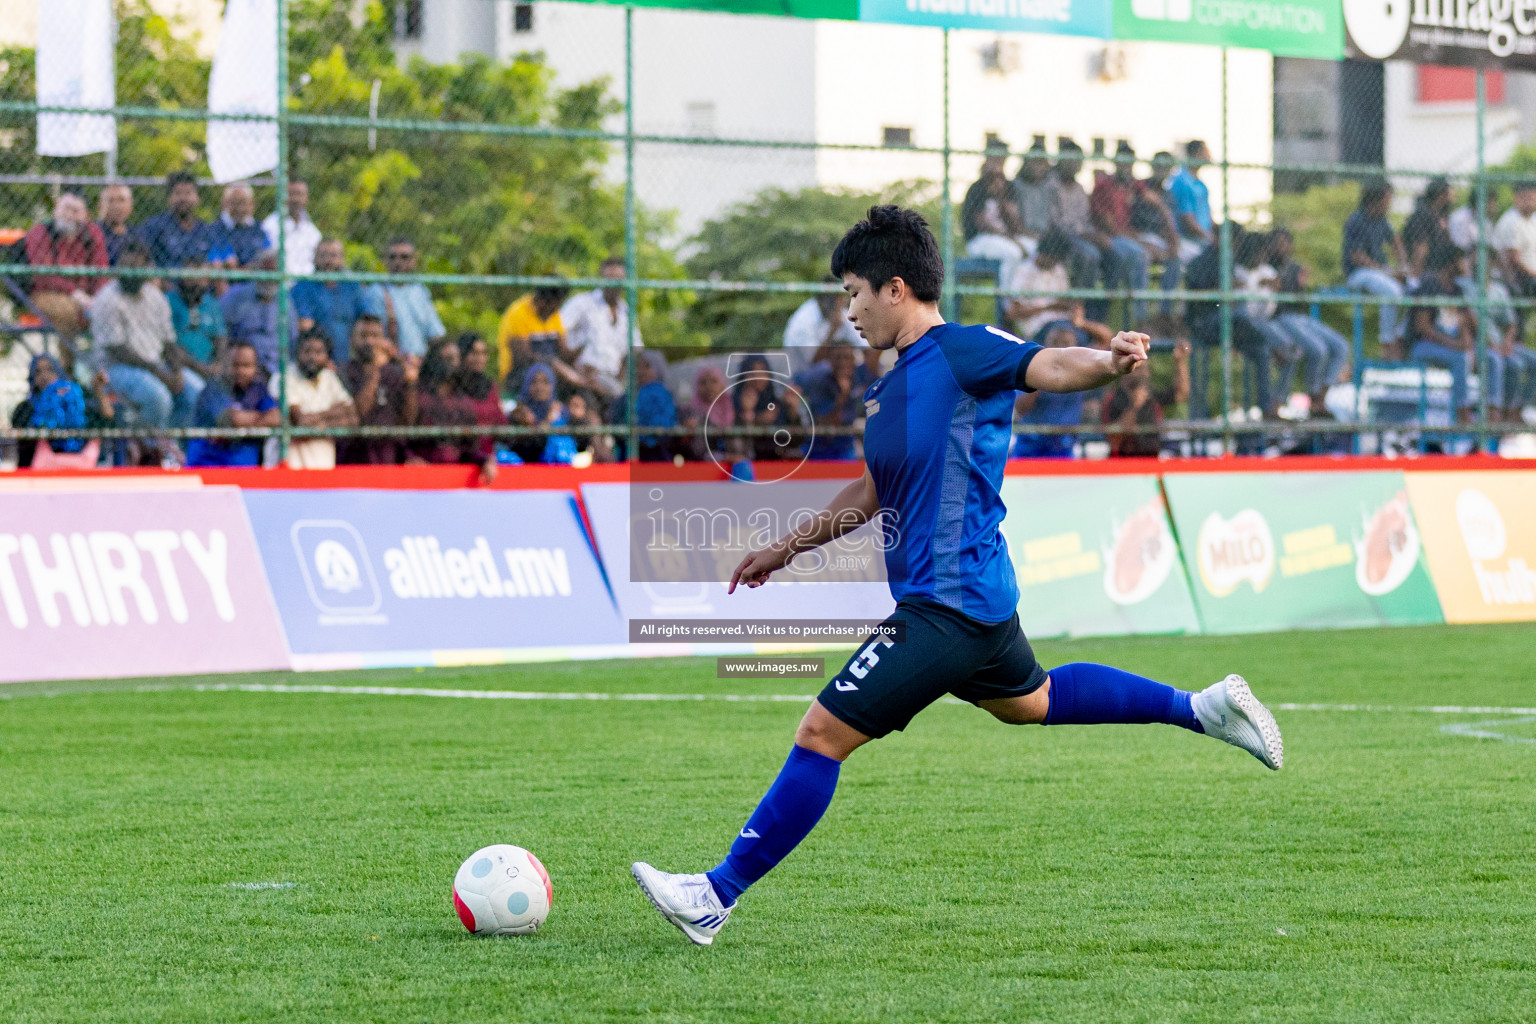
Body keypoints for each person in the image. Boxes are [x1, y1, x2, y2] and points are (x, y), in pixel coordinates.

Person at [630, 205, 1283, 946]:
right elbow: (872, 493)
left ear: (896, 288)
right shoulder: (892, 385)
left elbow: (1049, 364)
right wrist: (785, 548)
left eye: (853, 293)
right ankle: (1202, 708)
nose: (848, 311)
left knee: (821, 733)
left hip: (948, 604)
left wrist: (1109, 361)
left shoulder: (964, 350)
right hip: (968, 600)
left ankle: (714, 895)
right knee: (1029, 702)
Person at [95, 242, 205, 432]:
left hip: (156, 364)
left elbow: (169, 341)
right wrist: (160, 373)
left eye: (136, 267)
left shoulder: (155, 296)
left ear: (147, 269)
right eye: (125, 266)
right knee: (158, 397)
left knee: (195, 390)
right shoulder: (107, 298)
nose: (129, 272)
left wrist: (176, 371)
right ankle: (151, 447)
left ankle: (178, 447)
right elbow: (117, 350)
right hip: (116, 369)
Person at [1267, 228, 1351, 414]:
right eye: (1278, 243)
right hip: (1280, 317)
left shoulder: (1294, 267)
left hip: (1300, 317)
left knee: (1341, 346)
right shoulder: (1266, 267)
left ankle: (1321, 399)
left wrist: (1301, 283)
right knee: (1317, 349)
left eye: (1286, 243)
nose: (1283, 247)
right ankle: (1312, 397)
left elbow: (1301, 296)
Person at [1406, 242, 1482, 423]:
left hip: (1450, 347)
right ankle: (1463, 411)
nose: (1466, 265)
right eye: (1462, 261)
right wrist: (1454, 344)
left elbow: (1471, 326)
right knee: (1459, 358)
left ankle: (1492, 413)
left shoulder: (1457, 290)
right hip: (1423, 346)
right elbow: (1422, 327)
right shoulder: (1430, 284)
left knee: (1487, 358)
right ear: (1451, 264)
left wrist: (1466, 338)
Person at [23, 192, 109, 344]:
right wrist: (75, 293)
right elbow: (44, 276)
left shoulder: (92, 233)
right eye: (65, 209)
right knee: (69, 312)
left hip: (87, 295)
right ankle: (68, 365)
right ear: (56, 210)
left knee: (110, 306)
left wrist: (98, 298)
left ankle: (102, 361)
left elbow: (101, 271)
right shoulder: (41, 232)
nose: (69, 215)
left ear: (86, 215)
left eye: (75, 211)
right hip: (47, 293)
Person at [561, 258, 643, 405]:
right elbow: (558, 332)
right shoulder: (582, 303)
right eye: (609, 278)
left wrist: (620, 378)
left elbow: (635, 349)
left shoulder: (627, 312)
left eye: (618, 279)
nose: (613, 284)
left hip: (612, 382)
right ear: (601, 278)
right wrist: (573, 367)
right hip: (582, 379)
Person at [292, 238, 386, 363]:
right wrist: (323, 359)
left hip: (349, 359)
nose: (328, 260)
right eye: (323, 255)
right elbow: (306, 326)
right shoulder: (303, 287)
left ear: (342, 259)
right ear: (314, 258)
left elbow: (366, 321)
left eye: (333, 255)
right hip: (318, 360)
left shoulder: (352, 286)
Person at [272, 330, 357, 470]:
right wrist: (331, 415)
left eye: (319, 352)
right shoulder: (284, 377)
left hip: (324, 468)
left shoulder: (329, 378)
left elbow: (352, 418)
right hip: (291, 469)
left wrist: (316, 419)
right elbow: (301, 422)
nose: (312, 357)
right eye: (307, 351)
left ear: (327, 356)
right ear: (297, 353)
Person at [186, 342, 280, 467]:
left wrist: (245, 420)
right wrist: (260, 418)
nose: (240, 371)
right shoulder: (214, 388)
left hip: (245, 469)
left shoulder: (259, 390)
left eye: (246, 366)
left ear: (255, 368)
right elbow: (230, 419)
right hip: (208, 464)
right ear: (226, 366)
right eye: (235, 365)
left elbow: (276, 418)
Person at [1089, 142, 1154, 323]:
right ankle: (1139, 317)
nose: (1126, 168)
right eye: (1123, 163)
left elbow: (1154, 200)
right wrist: (1137, 240)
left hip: (1129, 236)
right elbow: (1108, 225)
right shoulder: (1104, 185)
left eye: (1130, 164)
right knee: (1139, 253)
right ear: (1116, 163)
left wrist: (1170, 231)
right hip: (1109, 237)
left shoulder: (1132, 185)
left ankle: (1160, 315)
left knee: (1162, 251)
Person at [340, 315, 418, 464]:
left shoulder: (394, 373)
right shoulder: (343, 372)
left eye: (375, 336)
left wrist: (410, 384)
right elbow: (359, 414)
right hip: (354, 457)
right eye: (363, 336)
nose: (369, 341)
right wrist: (375, 369)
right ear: (352, 339)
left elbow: (408, 421)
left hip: (388, 456)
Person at [1102, 331, 1192, 458]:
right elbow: (1115, 438)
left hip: (1150, 461)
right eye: (1138, 368)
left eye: (1146, 368)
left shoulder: (1150, 394)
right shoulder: (1113, 398)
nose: (1145, 373)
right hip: (1122, 465)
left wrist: (1180, 361)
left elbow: (1182, 393)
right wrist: (1134, 406)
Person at [1046, 141, 1108, 323]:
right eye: (1070, 160)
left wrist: (1096, 235)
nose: (1074, 165)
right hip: (1062, 238)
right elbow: (1056, 223)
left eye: (1078, 161)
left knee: (1113, 252)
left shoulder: (1080, 188)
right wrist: (1086, 235)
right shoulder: (1052, 186)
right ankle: (1082, 307)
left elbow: (1086, 221)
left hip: (1084, 236)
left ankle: (1101, 313)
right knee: (1090, 255)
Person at [1342, 179, 1407, 351]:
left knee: (1414, 288)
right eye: (1388, 199)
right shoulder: (1357, 220)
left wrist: (1402, 267)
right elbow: (1357, 257)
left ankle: (1400, 336)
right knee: (1391, 292)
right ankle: (1387, 341)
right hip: (1358, 274)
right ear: (1376, 200)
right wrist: (1387, 272)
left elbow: (1395, 242)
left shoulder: (1382, 220)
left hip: (1380, 272)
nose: (1390, 203)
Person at [10, 353, 99, 469]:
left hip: (75, 469)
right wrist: (47, 403)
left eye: (50, 370)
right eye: (38, 372)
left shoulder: (75, 403)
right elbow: (24, 437)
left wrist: (98, 390)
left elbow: (103, 421)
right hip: (33, 473)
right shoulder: (26, 408)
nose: (44, 376)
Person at [1010, 325, 1086, 459]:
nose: (1060, 348)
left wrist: (1082, 323)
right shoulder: (1030, 366)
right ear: (1045, 345)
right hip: (1030, 444)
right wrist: (1039, 378)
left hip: (1064, 446)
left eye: (1066, 343)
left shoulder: (1084, 368)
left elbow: (1107, 343)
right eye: (1055, 342)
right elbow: (1019, 410)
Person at [219, 250, 291, 376]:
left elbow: (292, 338)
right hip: (245, 369)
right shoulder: (236, 297)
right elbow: (222, 332)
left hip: (278, 370)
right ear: (257, 271)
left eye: (275, 272)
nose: (270, 278)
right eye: (266, 271)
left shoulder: (286, 301)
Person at [961, 148, 1027, 283]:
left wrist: (1001, 197)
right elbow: (984, 226)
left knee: (1032, 249)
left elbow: (1015, 224)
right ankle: (1006, 300)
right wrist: (1011, 239)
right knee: (1013, 254)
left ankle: (1028, 300)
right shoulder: (977, 189)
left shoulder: (1009, 188)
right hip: (980, 240)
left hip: (1007, 238)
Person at [798, 339, 870, 460]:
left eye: (846, 357)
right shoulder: (820, 383)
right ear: (830, 360)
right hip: (820, 449)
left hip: (846, 446)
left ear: (853, 360)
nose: (842, 362)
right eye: (838, 358)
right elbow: (827, 425)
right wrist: (842, 396)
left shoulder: (858, 378)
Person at [381, 239, 446, 358]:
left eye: (404, 257)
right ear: (386, 261)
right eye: (392, 257)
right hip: (390, 362)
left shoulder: (420, 292)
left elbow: (436, 333)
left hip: (419, 361)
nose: (398, 262)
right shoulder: (378, 291)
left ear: (413, 261)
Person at [609, 350, 676, 463]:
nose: (641, 371)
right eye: (637, 367)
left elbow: (668, 423)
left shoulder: (666, 395)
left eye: (647, 366)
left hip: (658, 453)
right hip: (630, 452)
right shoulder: (626, 397)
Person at [165, 261, 227, 381]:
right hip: (179, 366)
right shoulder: (169, 301)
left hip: (209, 366)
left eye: (200, 280)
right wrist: (199, 368)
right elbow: (170, 345)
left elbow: (220, 337)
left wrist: (218, 363)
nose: (195, 284)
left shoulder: (211, 303)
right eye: (190, 279)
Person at [136, 171, 212, 268]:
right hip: (166, 281)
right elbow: (145, 260)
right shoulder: (154, 226)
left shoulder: (206, 229)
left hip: (202, 281)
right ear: (169, 198)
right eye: (177, 193)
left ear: (197, 198)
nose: (183, 198)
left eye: (188, 193)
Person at [496, 285, 569, 385]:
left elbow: (563, 350)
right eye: (553, 308)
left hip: (549, 372)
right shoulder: (518, 313)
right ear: (543, 302)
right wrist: (553, 363)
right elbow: (523, 357)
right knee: (543, 376)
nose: (555, 311)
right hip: (519, 374)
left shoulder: (554, 314)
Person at [782, 286, 865, 374]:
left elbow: (864, 346)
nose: (842, 302)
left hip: (826, 373)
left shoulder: (840, 312)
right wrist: (833, 330)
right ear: (823, 300)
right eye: (838, 299)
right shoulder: (804, 320)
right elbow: (815, 361)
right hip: (800, 375)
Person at [261, 179, 321, 275]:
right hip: (280, 283)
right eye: (291, 194)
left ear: (307, 198)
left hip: (308, 284)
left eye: (300, 194)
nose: (295, 199)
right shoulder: (270, 226)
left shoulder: (312, 230)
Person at [206, 183, 270, 270]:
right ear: (225, 204)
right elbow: (217, 259)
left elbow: (267, 255)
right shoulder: (216, 229)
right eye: (234, 203)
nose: (240, 208)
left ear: (251, 204)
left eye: (243, 202)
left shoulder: (259, 229)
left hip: (256, 279)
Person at [1167, 140, 1215, 256]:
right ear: (1196, 154)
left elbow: (1208, 216)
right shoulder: (1182, 181)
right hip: (1190, 238)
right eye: (1206, 151)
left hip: (1205, 235)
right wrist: (1210, 238)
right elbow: (1187, 220)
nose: (1209, 156)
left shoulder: (1200, 183)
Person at [1402, 177, 1453, 283]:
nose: (1453, 197)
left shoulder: (1441, 215)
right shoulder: (1423, 214)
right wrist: (1415, 277)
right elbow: (1421, 247)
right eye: (1449, 193)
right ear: (1441, 195)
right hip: (1425, 272)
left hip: (1441, 270)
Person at [1009, 141, 1055, 250]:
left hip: (1045, 236)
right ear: (1026, 163)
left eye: (1041, 162)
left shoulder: (1047, 189)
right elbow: (1014, 222)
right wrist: (1031, 235)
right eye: (1035, 162)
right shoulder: (1015, 187)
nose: (1038, 167)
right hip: (1023, 236)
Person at [96, 183, 135, 265]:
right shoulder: (92, 233)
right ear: (100, 207)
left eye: (122, 200)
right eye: (110, 201)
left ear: (130, 206)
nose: (117, 206)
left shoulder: (136, 234)